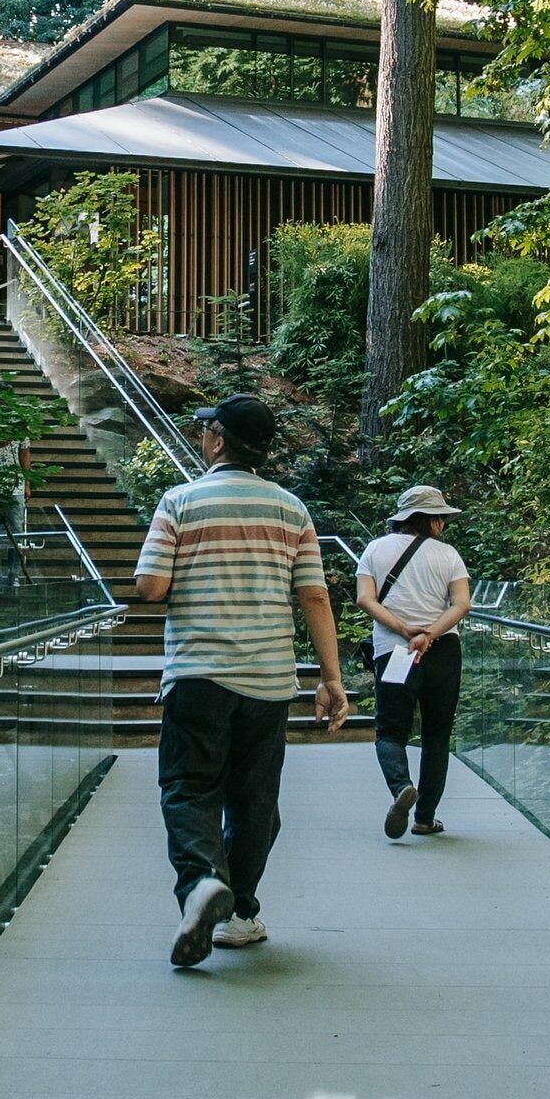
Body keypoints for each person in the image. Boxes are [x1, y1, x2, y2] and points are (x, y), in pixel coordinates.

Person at [130, 393, 350, 967]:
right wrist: (332, 679)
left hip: (198, 674)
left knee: (187, 787)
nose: (202, 437)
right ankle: (242, 914)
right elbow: (315, 597)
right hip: (268, 681)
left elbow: (150, 587)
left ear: (219, 441)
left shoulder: (179, 501)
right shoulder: (291, 509)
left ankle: (202, 882)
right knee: (255, 800)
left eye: (206, 431)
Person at [355, 484, 473, 840]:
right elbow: (461, 604)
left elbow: (365, 599)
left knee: (390, 731)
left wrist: (406, 631)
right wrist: (429, 634)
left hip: (396, 653)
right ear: (433, 521)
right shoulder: (449, 555)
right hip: (442, 653)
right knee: (437, 736)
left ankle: (401, 786)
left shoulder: (375, 549)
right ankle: (425, 817)